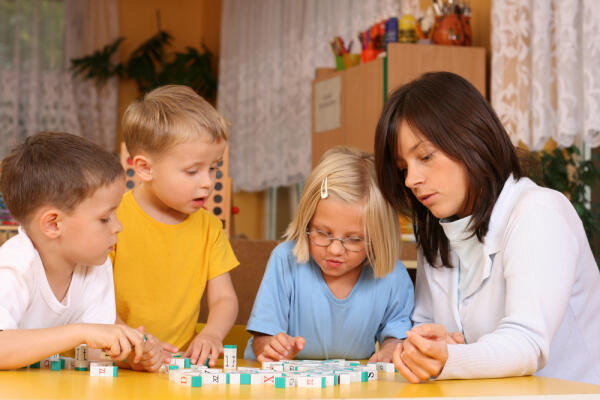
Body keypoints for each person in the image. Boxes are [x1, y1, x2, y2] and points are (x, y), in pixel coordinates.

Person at [374, 71, 600, 384]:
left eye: (425, 156)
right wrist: (422, 347)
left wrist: (450, 357)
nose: (411, 180)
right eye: (403, 169)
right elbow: (426, 323)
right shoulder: (439, 227)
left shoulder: (538, 211)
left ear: (471, 138)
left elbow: (527, 343)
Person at [244, 146, 414, 362]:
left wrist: (391, 350)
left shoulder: (392, 273)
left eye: (354, 239)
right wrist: (273, 349)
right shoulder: (285, 259)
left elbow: (396, 335)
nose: (334, 250)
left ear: (378, 237)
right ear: (307, 221)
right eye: (323, 233)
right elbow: (262, 338)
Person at [0, 132, 150, 370]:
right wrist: (79, 332)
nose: (118, 227)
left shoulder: (95, 265)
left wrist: (129, 353)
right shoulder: (14, 265)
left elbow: (94, 350)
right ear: (53, 224)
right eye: (104, 219)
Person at [113, 85, 239, 367]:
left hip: (176, 368)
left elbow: (224, 298)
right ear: (145, 168)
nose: (207, 182)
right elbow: (92, 301)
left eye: (214, 167)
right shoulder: (111, 218)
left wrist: (212, 334)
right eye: (192, 171)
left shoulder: (209, 227)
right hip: (114, 363)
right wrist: (133, 347)